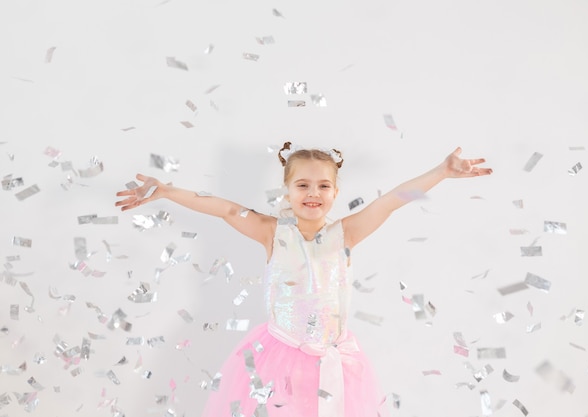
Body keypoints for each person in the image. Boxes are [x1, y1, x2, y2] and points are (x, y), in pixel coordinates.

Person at [115, 142, 492, 417]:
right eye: (303, 185)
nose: (313, 193)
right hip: (279, 358)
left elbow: (391, 200)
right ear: (288, 191)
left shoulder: (346, 233)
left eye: (323, 186)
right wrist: (166, 191)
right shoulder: (271, 232)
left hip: (336, 358)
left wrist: (441, 172)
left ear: (336, 192)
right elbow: (225, 209)